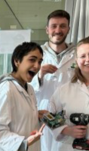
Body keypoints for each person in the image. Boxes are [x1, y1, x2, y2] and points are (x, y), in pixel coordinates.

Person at [30, 10, 76, 151]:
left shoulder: (78, 55)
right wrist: (39, 75)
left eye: (62, 26)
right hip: (41, 113)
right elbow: (23, 87)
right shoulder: (34, 53)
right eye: (54, 26)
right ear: (47, 29)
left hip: (68, 115)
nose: (58, 30)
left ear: (68, 29)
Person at [0, 42, 46, 151]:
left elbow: (18, 117)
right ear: (17, 61)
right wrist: (24, 143)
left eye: (39, 61)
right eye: (32, 60)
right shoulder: (6, 89)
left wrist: (36, 116)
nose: (37, 66)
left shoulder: (29, 89)